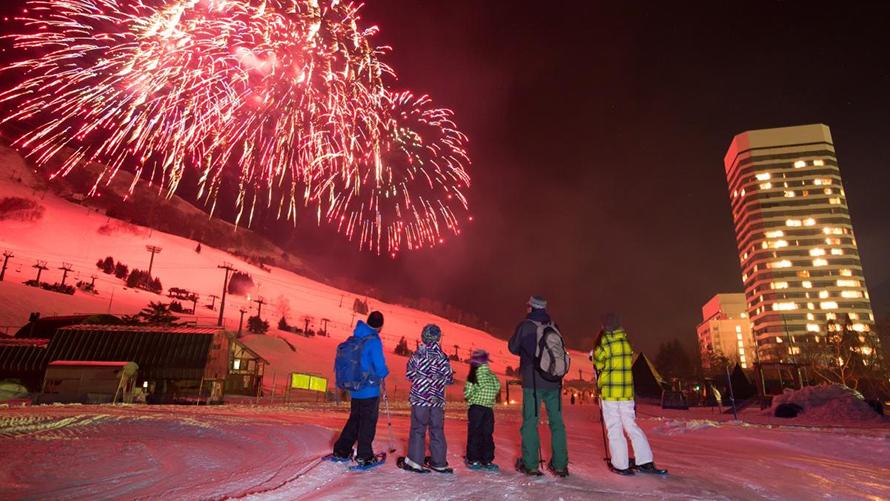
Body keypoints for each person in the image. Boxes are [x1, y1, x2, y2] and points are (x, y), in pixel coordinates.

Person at [592, 312, 665, 475]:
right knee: (631, 425)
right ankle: (645, 461)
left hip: (610, 391)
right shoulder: (625, 341)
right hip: (626, 392)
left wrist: (595, 355)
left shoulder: (604, 342)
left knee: (614, 427)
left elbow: (598, 363)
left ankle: (621, 464)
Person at [508, 295, 569, 477]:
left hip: (533, 383)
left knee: (530, 423)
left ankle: (531, 465)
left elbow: (512, 347)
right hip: (554, 382)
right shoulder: (553, 326)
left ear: (531, 307)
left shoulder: (525, 325)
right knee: (557, 424)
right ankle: (560, 465)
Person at [332, 311, 390, 466]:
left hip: (355, 388)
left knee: (355, 420)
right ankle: (365, 456)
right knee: (368, 422)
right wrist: (384, 373)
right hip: (369, 388)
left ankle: (341, 450)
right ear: (380, 326)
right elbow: (379, 366)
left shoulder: (357, 336)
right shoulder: (374, 341)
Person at [401, 324, 454, 473]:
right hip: (437, 401)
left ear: (423, 337)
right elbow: (449, 379)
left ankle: (415, 462)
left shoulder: (417, 355)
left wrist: (421, 378)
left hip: (420, 399)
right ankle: (439, 462)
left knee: (418, 428)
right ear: (438, 338)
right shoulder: (443, 357)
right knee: (437, 429)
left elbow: (409, 375)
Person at [464, 349, 501, 470]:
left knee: (474, 433)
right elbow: (497, 387)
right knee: (487, 435)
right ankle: (487, 460)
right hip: (488, 410)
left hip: (476, 409)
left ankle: (474, 460)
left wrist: (472, 399)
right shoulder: (492, 375)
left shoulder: (473, 375)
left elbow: (468, 392)